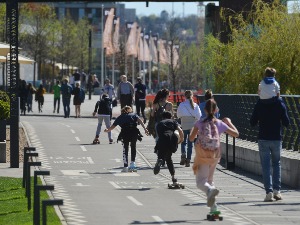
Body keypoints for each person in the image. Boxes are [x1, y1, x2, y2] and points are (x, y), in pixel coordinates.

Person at [189, 99, 239, 213]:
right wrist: (228, 122)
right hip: (215, 155)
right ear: (216, 110)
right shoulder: (220, 123)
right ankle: (214, 207)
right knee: (210, 180)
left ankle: (210, 191)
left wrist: (196, 129)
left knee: (201, 182)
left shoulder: (200, 123)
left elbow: (191, 138)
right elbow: (236, 134)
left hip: (202, 155)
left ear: (205, 110)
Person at [250, 95, 289, 202]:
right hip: (276, 138)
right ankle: (277, 191)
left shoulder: (259, 103)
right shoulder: (280, 103)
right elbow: (287, 122)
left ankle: (269, 192)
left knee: (266, 166)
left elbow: (252, 122)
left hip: (263, 138)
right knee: (277, 163)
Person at [104, 106, 149, 172]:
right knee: (133, 146)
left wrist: (107, 130)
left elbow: (112, 127)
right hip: (134, 132)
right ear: (130, 110)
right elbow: (140, 121)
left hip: (125, 133)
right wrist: (145, 129)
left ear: (122, 111)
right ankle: (133, 164)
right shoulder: (134, 115)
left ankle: (125, 166)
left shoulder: (120, 117)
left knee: (125, 148)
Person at [153, 111, 184, 181]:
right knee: (169, 158)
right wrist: (181, 139)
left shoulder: (159, 123)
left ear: (163, 117)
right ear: (170, 116)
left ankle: (160, 160)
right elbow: (180, 131)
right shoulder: (173, 121)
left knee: (161, 156)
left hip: (161, 140)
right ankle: (173, 177)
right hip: (171, 139)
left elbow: (158, 135)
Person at [177, 90, 202, 167]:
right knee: (190, 143)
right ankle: (188, 160)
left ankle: (183, 154)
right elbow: (199, 116)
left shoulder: (182, 104)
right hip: (192, 125)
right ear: (192, 96)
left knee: (183, 141)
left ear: (184, 96)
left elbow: (178, 115)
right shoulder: (195, 105)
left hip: (184, 124)